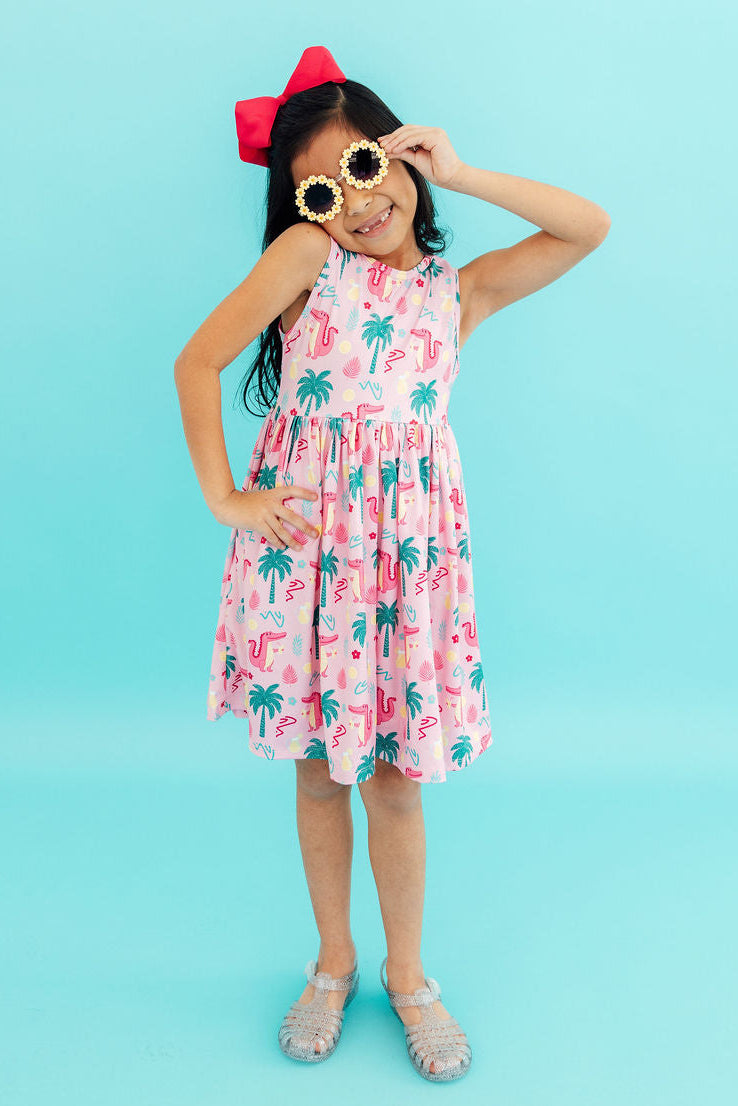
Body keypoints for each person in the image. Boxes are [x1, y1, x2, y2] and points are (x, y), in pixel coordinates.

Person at [174, 44, 610, 1083]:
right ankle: (332, 963)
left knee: (398, 784)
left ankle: (409, 975)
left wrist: (461, 171)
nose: (357, 203)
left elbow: (586, 227)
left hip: (405, 571)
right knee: (321, 775)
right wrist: (226, 497)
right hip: (310, 563)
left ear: (400, 154)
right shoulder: (308, 263)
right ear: (304, 209)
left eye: (364, 166)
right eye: (323, 190)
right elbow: (198, 359)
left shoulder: (459, 294)